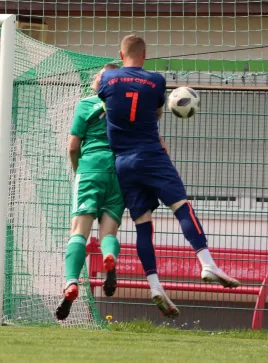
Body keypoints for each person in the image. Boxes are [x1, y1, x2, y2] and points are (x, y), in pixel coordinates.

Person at [97, 34, 240, 318]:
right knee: (181, 206)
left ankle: (153, 285)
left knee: (142, 224)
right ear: (145, 54)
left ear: (120, 54)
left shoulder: (107, 81)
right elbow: (157, 113)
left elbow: (104, 100)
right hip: (151, 155)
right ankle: (207, 262)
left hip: (123, 162)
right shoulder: (157, 81)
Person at [55, 64, 124, 321]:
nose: (95, 78)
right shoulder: (126, 108)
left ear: (104, 83)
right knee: (108, 232)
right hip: (118, 171)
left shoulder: (86, 104)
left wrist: (77, 171)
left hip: (90, 168)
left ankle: (71, 282)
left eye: (98, 76)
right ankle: (109, 255)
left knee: (78, 232)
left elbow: (73, 146)